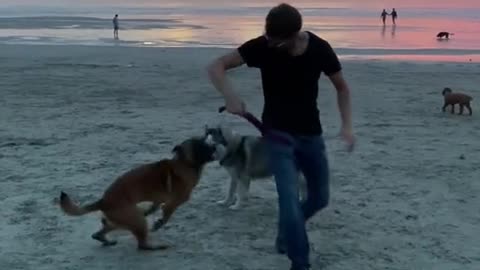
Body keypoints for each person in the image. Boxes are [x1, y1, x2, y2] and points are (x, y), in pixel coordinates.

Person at [206, 3, 355, 270]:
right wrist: (230, 96)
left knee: (319, 198)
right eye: (269, 37)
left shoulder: (320, 49)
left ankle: (286, 231)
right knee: (288, 201)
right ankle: (300, 262)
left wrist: (346, 126)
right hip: (275, 136)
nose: (270, 43)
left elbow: (342, 88)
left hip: (311, 135)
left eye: (276, 41)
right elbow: (217, 66)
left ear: (295, 35)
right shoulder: (263, 46)